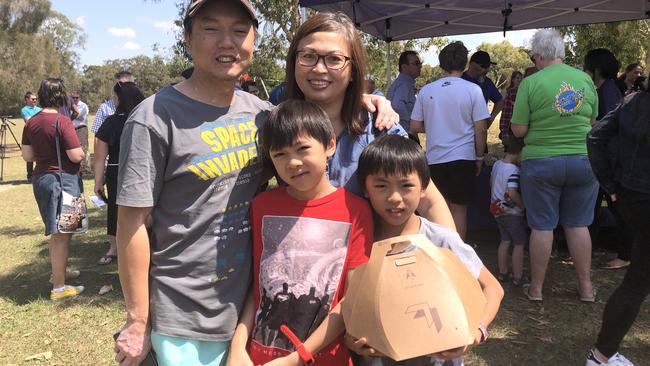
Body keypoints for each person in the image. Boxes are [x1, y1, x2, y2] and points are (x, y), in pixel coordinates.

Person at [113, 2, 399, 365]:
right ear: (187, 38)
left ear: (253, 40)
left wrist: (362, 98)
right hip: (186, 318)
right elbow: (131, 225)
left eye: (239, 31)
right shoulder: (153, 118)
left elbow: (309, 126)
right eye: (211, 29)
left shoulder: (263, 115)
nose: (226, 42)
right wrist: (137, 321)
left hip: (253, 316)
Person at [228, 99, 374, 365]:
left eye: (302, 149)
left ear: (329, 145)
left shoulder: (356, 211)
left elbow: (352, 298)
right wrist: (238, 347)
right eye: (280, 154)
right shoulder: (262, 205)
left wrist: (298, 357)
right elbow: (258, 287)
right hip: (259, 357)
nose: (293, 162)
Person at [282, 12, 454, 229]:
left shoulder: (379, 127)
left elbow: (430, 202)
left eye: (334, 59)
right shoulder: (276, 127)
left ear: (353, 70)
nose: (319, 68)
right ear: (294, 62)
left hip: (369, 260)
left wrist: (453, 256)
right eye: (308, 56)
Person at [346, 135, 503, 366]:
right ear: (365, 188)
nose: (395, 198)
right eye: (381, 185)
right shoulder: (360, 244)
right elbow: (350, 305)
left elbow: (492, 288)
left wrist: (476, 331)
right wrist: (352, 339)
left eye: (406, 185)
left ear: (423, 188)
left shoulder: (441, 240)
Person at [510, 28, 598, 303]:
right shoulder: (585, 79)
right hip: (583, 160)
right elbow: (593, 123)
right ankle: (586, 288)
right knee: (578, 225)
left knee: (542, 226)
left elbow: (519, 130)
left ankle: (536, 289)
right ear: (560, 53)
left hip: (541, 162)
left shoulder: (531, 83)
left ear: (538, 56)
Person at [585, 48, 650, 366]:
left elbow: (595, 137)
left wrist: (612, 187)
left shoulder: (633, 100)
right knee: (637, 281)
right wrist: (611, 186)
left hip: (632, 198)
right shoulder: (631, 99)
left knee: (637, 280)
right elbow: (595, 138)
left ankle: (601, 355)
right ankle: (601, 355)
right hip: (635, 196)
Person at [410, 41, 490, 241]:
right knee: (459, 211)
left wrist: (436, 125)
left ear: (441, 64)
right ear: (465, 64)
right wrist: (479, 156)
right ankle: (459, 257)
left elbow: (414, 126)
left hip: (435, 158)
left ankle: (442, 257)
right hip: (463, 157)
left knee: (439, 209)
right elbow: (481, 130)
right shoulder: (473, 90)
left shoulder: (426, 90)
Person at [20, 78, 85, 301]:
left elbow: (27, 156)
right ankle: (59, 287)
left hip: (42, 179)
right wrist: (83, 154)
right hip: (64, 179)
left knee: (57, 231)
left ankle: (59, 272)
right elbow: (75, 155)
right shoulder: (63, 121)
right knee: (62, 233)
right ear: (61, 96)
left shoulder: (31, 122)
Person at [583, 49, 633, 271]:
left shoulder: (608, 91)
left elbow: (609, 126)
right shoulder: (606, 89)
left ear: (596, 69)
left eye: (587, 67)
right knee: (598, 207)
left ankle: (626, 255)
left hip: (611, 160)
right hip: (608, 159)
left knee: (617, 208)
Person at [93, 82, 144, 266]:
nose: (114, 101)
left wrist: (98, 181)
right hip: (143, 170)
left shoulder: (111, 122)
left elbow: (99, 156)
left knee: (115, 208)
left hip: (117, 171)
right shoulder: (146, 119)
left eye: (115, 97)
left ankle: (114, 248)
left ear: (121, 99)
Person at [489, 138, 527, 286]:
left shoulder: (497, 165)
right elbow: (512, 192)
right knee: (519, 243)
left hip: (497, 210)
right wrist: (522, 205)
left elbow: (491, 183)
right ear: (519, 152)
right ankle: (518, 276)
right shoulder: (514, 171)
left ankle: (503, 272)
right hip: (512, 213)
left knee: (505, 240)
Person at [462, 51, 503, 128]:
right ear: (472, 64)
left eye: (488, 66)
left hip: (479, 131)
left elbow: (500, 101)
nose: (486, 70)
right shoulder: (460, 80)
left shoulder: (487, 82)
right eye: (483, 66)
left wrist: (491, 118)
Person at [387, 50, 421, 131]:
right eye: (416, 64)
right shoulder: (404, 84)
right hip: (403, 132)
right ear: (404, 67)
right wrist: (413, 122)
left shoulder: (404, 83)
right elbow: (397, 106)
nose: (420, 66)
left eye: (420, 63)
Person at [499, 71, 523, 151]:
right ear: (513, 79)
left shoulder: (522, 91)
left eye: (520, 78)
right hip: (509, 125)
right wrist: (504, 132)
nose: (519, 80)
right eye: (517, 78)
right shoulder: (509, 91)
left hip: (519, 125)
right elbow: (505, 113)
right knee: (510, 151)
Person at [20, 91, 42, 182]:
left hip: (40, 134)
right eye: (33, 99)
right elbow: (29, 121)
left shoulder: (39, 109)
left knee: (40, 154)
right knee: (30, 155)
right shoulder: (24, 110)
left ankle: (40, 173)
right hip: (30, 134)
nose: (35, 100)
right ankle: (30, 176)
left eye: (36, 99)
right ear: (27, 99)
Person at [70, 91, 90, 174]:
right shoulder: (70, 105)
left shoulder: (83, 106)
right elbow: (75, 116)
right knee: (73, 148)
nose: (75, 99)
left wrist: (73, 116)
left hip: (81, 128)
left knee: (83, 148)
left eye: (76, 97)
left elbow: (79, 116)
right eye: (73, 97)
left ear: (80, 97)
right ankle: (76, 168)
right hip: (71, 128)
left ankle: (84, 168)